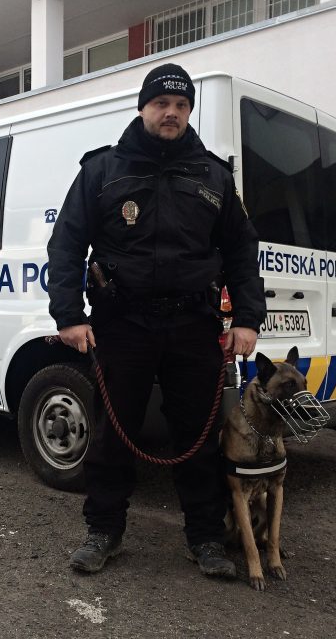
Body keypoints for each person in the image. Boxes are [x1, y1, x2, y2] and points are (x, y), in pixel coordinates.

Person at [47, 63, 266, 577]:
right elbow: (67, 243)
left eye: (182, 105)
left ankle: (205, 537)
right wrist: (69, 315)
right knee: (114, 433)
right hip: (122, 323)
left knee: (198, 435)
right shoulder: (102, 170)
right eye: (162, 103)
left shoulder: (214, 175)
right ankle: (104, 531)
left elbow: (241, 250)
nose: (172, 113)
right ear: (143, 107)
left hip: (193, 324)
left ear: (189, 112)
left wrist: (248, 318)